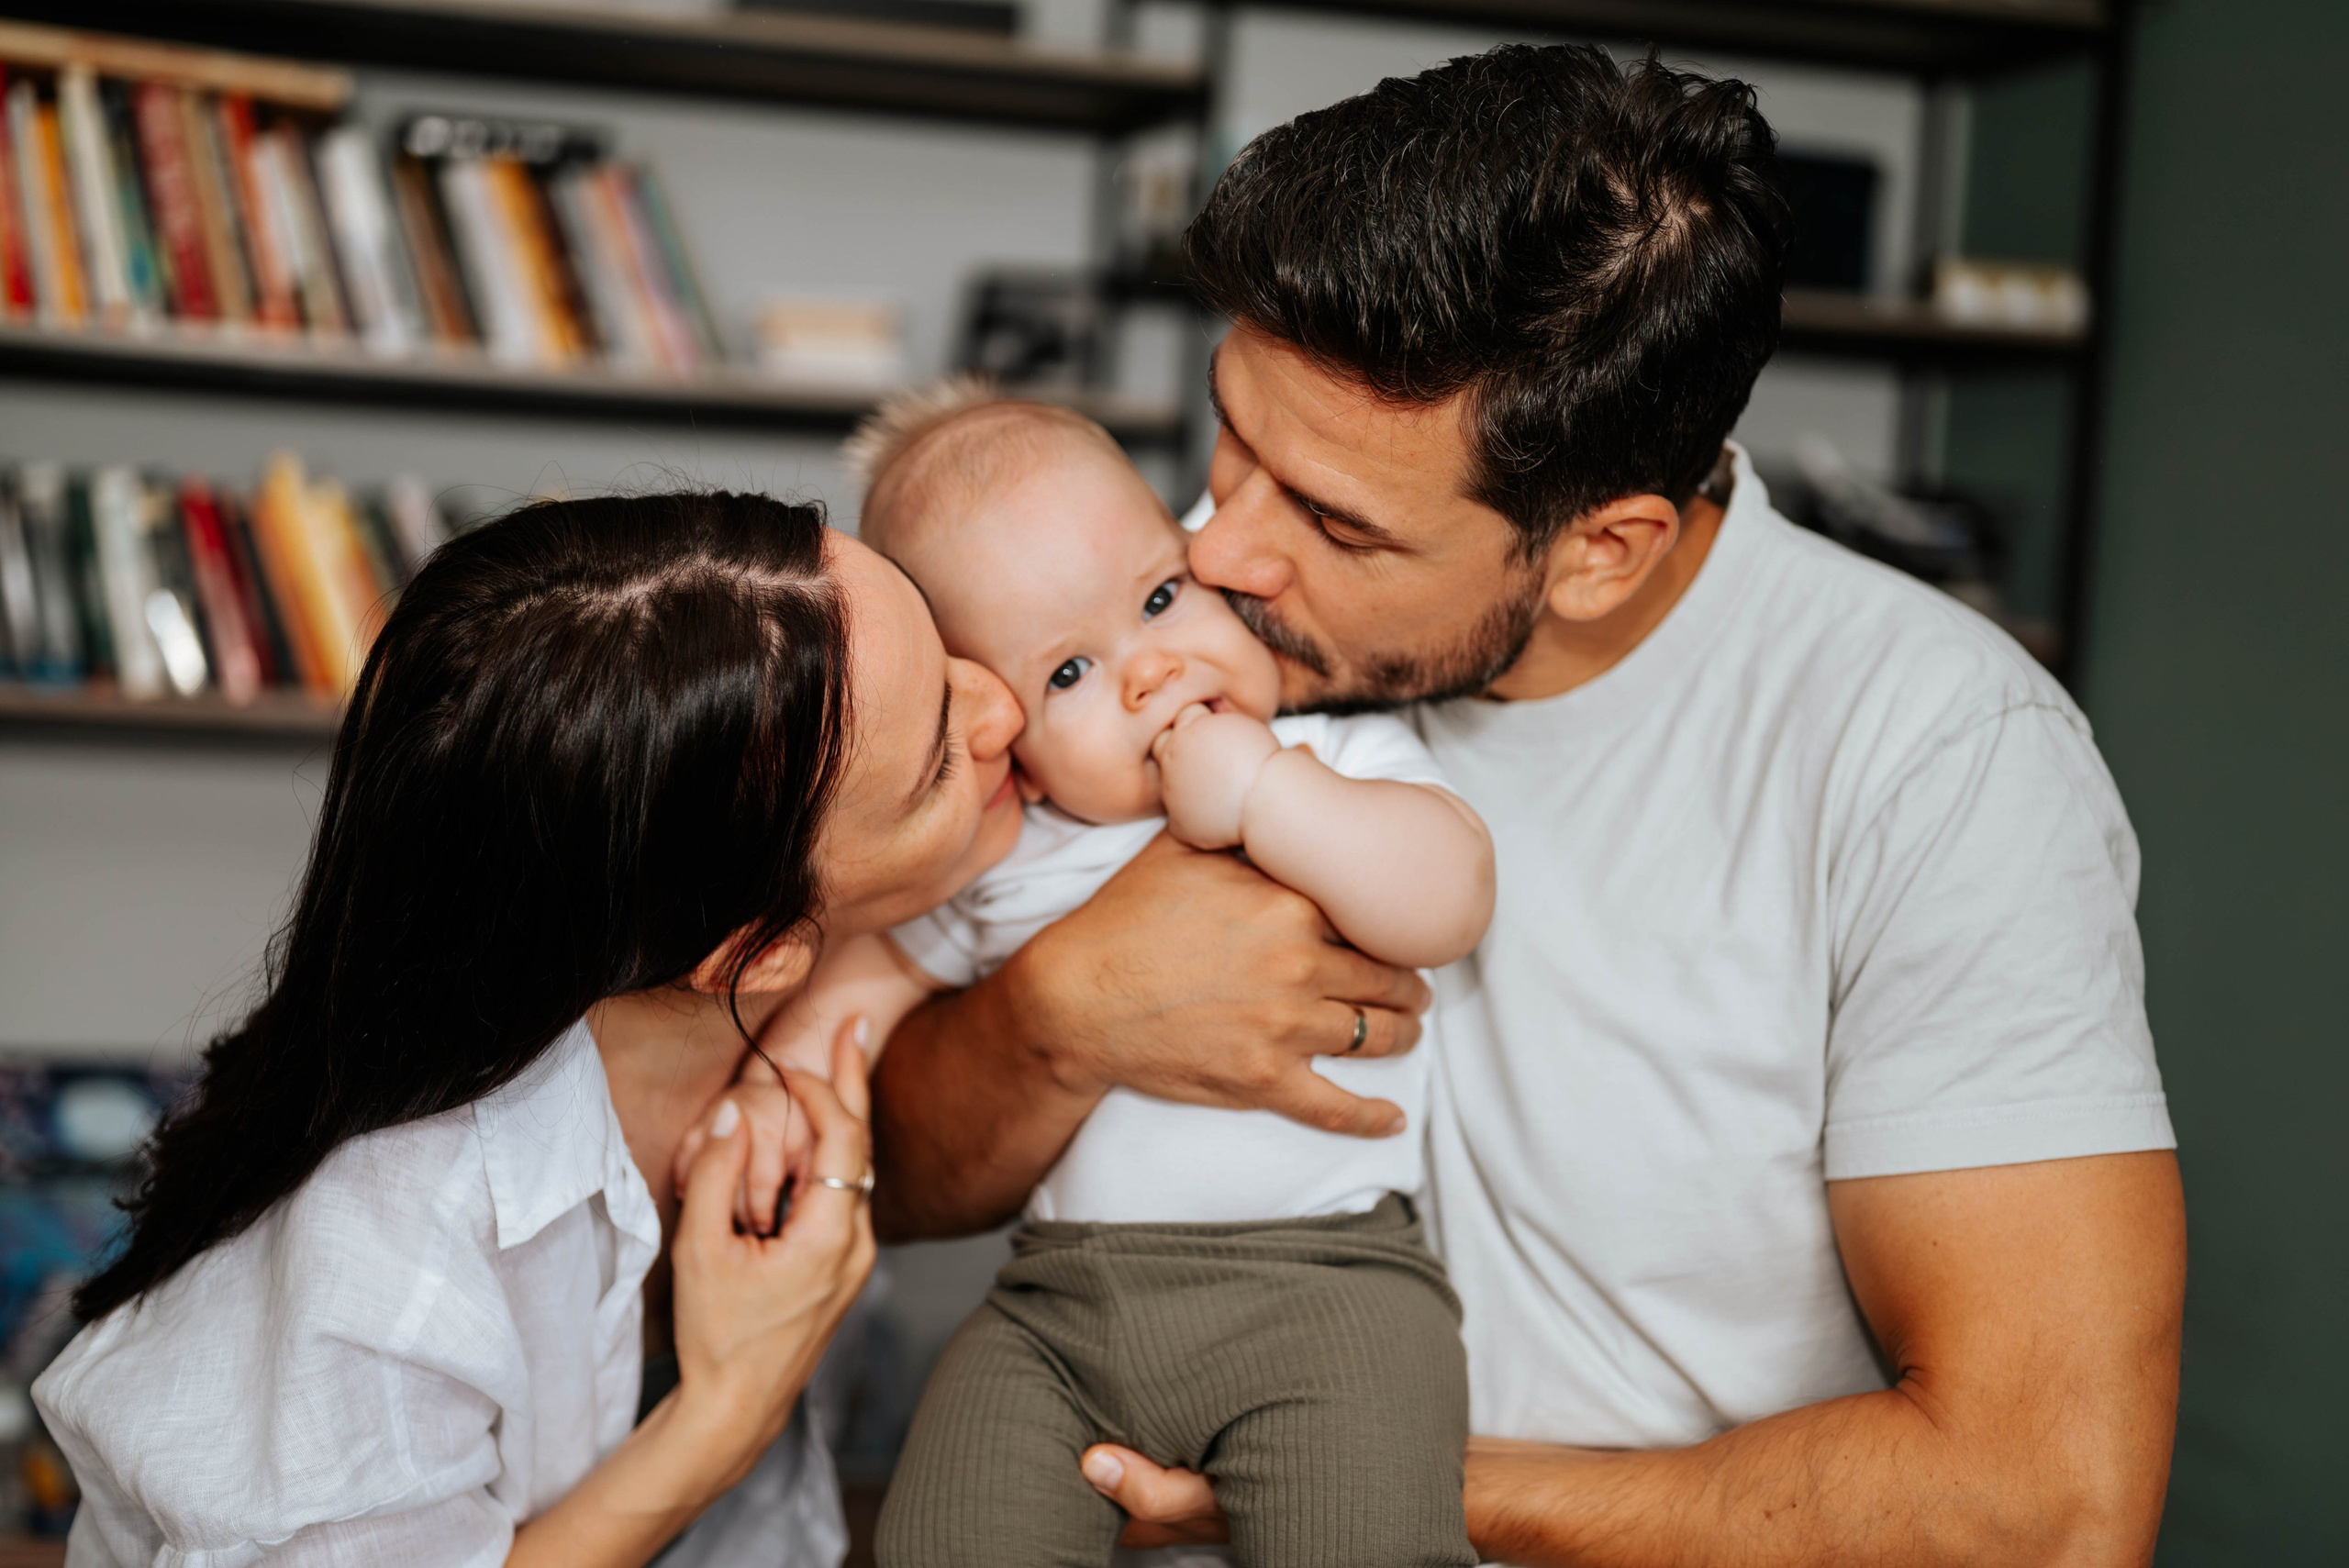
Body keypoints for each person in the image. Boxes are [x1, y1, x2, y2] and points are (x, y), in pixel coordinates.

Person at [870, 44, 2187, 1568]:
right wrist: (1058, 1014)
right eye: (1232, 433)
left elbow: (2044, 1508)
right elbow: (881, 1179)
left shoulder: (1934, 757)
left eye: (1335, 520)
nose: (1217, 549)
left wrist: (1365, 1473)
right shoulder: (1170, 623)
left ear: (1598, 552)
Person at [33, 492, 1027, 1567]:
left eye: (948, 646)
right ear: (756, 949)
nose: (1006, 707)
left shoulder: (778, 967)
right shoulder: (382, 1248)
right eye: (938, 760)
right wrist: (728, 1409)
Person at [758, 384, 1492, 1566]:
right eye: (1068, 673)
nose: (1150, 671)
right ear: (1002, 731)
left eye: (1159, 597)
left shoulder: (1333, 755)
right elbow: (863, 985)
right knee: (942, 1535)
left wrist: (1261, 790)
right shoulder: (1014, 847)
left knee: (1362, 1539)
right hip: (1060, 1309)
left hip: (1331, 1285)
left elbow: (1447, 897)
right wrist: (774, 1080)